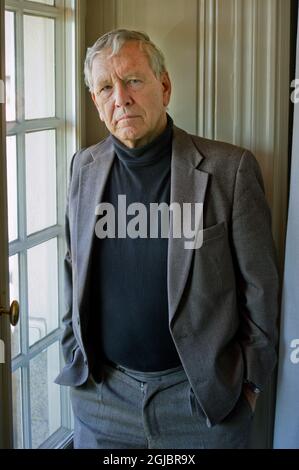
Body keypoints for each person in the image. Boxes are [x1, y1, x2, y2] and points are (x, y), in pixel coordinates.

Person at [55, 29, 280, 449]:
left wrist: (247, 385)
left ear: (164, 86)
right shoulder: (83, 168)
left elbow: (261, 290)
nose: (120, 98)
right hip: (104, 400)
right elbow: (72, 268)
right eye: (106, 87)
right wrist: (74, 354)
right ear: (96, 102)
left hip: (201, 405)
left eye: (134, 81)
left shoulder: (230, 171)